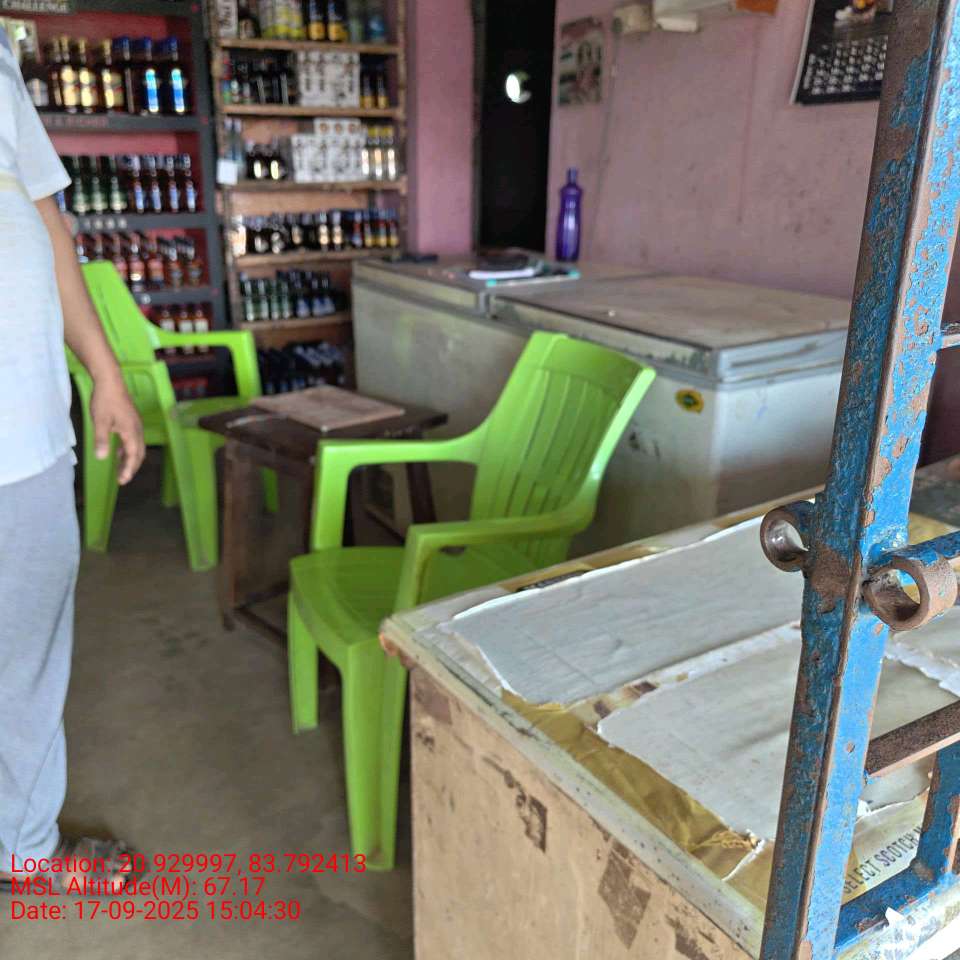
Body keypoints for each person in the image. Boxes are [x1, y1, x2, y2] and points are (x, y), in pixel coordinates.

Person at [0, 28, 146, 891]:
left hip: (27, 427)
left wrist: (105, 373)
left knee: (27, 651)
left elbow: (45, 217)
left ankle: (22, 846)